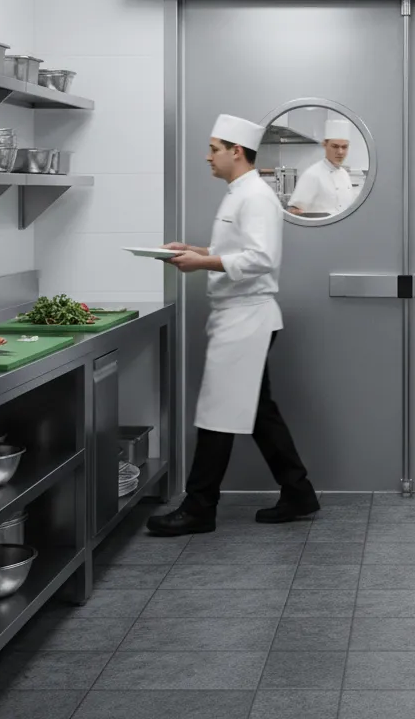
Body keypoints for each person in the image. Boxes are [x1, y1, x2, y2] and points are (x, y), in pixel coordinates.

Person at [147, 114, 319, 536]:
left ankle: (199, 507)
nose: (208, 157)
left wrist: (201, 262)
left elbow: (261, 258)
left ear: (236, 151)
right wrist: (193, 250)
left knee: (217, 411)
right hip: (240, 315)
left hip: (246, 317)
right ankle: (298, 492)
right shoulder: (239, 193)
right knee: (258, 412)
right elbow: (235, 249)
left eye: (214, 149)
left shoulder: (255, 196)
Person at [287, 118, 355, 216]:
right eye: (335, 146)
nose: (340, 152)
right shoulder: (312, 174)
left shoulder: (344, 174)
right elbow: (294, 212)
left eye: (344, 147)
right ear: (324, 145)